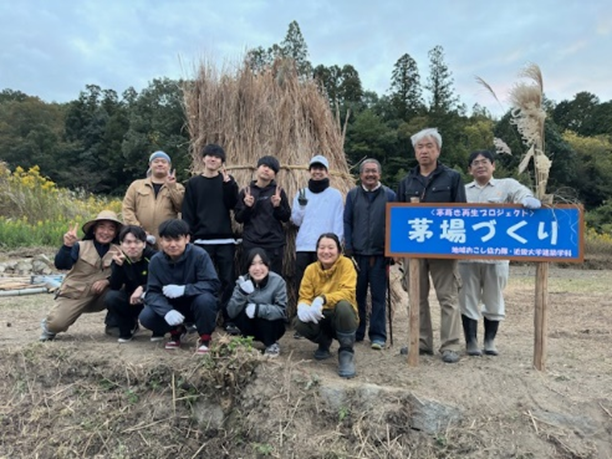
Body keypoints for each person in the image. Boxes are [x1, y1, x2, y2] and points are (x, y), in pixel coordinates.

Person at [459, 150, 541, 356]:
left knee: (494, 300)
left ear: (493, 165)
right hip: (466, 257)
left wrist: (528, 200)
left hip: (497, 257)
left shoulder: (507, 185)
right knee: (467, 299)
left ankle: (489, 341)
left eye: (484, 162)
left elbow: (522, 193)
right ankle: (471, 341)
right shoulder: (462, 190)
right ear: (469, 170)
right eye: (475, 163)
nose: (480, 165)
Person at [396, 127, 466, 363]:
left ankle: (450, 345)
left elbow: (462, 213)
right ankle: (422, 342)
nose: (424, 151)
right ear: (415, 152)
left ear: (438, 150)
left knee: (448, 297)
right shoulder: (406, 181)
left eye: (429, 146)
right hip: (413, 249)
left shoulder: (453, 178)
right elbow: (398, 219)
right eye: (419, 147)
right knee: (416, 297)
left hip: (444, 247)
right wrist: (397, 251)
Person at [182, 143, 240, 335]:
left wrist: (229, 185)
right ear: (203, 159)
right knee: (198, 279)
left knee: (228, 281)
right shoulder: (193, 184)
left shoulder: (228, 182)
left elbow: (234, 206)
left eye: (217, 157)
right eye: (209, 156)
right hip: (201, 240)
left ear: (222, 162)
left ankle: (229, 319)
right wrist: (188, 236)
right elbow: (188, 212)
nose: (213, 159)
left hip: (225, 239)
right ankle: (195, 318)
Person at [139, 219, 221, 354]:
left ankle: (205, 338)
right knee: (147, 316)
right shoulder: (156, 261)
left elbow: (212, 284)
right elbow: (152, 292)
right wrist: (166, 311)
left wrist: (185, 289)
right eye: (168, 240)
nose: (172, 245)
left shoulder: (199, 255)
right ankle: (175, 332)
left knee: (205, 300)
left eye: (177, 240)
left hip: (196, 304)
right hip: (173, 306)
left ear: (187, 239)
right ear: (161, 241)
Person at [39, 210, 123, 341]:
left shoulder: (119, 250)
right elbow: (62, 264)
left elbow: (126, 275)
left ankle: (115, 325)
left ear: (116, 233)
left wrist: (108, 282)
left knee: (124, 291)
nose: (106, 232)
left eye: (111, 229)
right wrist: (67, 246)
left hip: (100, 296)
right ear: (94, 229)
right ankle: (49, 325)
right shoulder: (79, 246)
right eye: (102, 226)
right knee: (56, 324)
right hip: (75, 294)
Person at [344, 158, 396, 350]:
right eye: (366, 171)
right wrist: (348, 246)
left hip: (379, 255)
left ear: (379, 174)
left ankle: (378, 335)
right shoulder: (353, 195)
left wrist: (392, 250)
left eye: (374, 171)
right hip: (357, 255)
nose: (370, 174)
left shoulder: (390, 195)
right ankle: (356, 331)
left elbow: (395, 223)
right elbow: (347, 221)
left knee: (378, 297)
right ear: (361, 175)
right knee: (356, 295)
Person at [293, 233, 359, 378]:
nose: (326, 252)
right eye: (322, 248)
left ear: (339, 251)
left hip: (341, 316)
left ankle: (346, 351)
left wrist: (323, 298)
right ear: (317, 251)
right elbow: (305, 295)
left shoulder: (346, 264)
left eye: (331, 248)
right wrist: (303, 306)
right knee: (298, 322)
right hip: (321, 315)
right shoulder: (311, 269)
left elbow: (347, 292)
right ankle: (324, 342)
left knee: (343, 306)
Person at [291, 155, 344, 324]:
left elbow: (338, 221)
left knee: (325, 282)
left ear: (327, 172)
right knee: (303, 283)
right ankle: (303, 317)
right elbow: (295, 220)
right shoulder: (302, 193)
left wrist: (336, 246)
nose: (317, 172)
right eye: (314, 168)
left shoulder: (335, 195)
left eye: (321, 169)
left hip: (325, 248)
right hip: (304, 245)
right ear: (309, 171)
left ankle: (323, 317)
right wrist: (301, 206)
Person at [234, 155, 291, 274]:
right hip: (251, 241)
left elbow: (286, 217)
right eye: (264, 166)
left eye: (271, 168)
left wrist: (278, 207)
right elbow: (238, 218)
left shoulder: (278, 192)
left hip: (273, 243)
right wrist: (247, 207)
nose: (266, 170)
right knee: (250, 277)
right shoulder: (246, 192)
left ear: (274, 174)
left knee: (273, 277)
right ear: (257, 168)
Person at [226, 248, 287, 357]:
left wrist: (258, 309)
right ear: (248, 267)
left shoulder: (278, 282)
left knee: (272, 318)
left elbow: (281, 310)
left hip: (270, 326)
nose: (257, 268)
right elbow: (231, 312)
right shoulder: (242, 282)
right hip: (249, 326)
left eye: (261, 263)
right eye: (253, 264)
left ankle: (271, 343)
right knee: (241, 312)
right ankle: (245, 341)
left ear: (268, 265)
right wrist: (242, 293)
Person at [105, 225, 157, 343]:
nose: (132, 246)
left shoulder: (154, 257)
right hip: (132, 299)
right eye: (128, 242)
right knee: (111, 297)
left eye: (137, 242)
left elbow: (161, 282)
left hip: (152, 296)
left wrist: (142, 288)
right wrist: (119, 267)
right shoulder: (119, 258)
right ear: (121, 244)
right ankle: (126, 330)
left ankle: (158, 329)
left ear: (144, 244)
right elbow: (115, 286)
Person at [122, 151, 185, 245]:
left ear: (169, 166)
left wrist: (172, 187)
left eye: (163, 162)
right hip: (140, 238)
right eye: (156, 161)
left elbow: (181, 207)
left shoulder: (178, 187)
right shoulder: (136, 185)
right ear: (150, 165)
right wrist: (138, 229)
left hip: (167, 238)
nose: (160, 164)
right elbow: (127, 208)